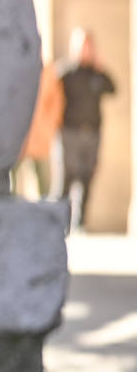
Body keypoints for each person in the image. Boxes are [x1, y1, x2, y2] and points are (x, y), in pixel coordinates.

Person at [58, 28, 117, 231]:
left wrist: (101, 68)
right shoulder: (65, 72)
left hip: (91, 133)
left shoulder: (97, 74)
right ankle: (60, 223)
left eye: (88, 46)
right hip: (69, 132)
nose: (85, 50)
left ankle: (79, 223)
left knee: (86, 177)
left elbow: (113, 89)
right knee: (67, 177)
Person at [15, 62, 64, 199]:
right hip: (18, 135)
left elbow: (56, 101)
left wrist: (50, 125)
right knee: (11, 178)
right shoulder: (16, 67)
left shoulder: (47, 72)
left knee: (42, 178)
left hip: (39, 134)